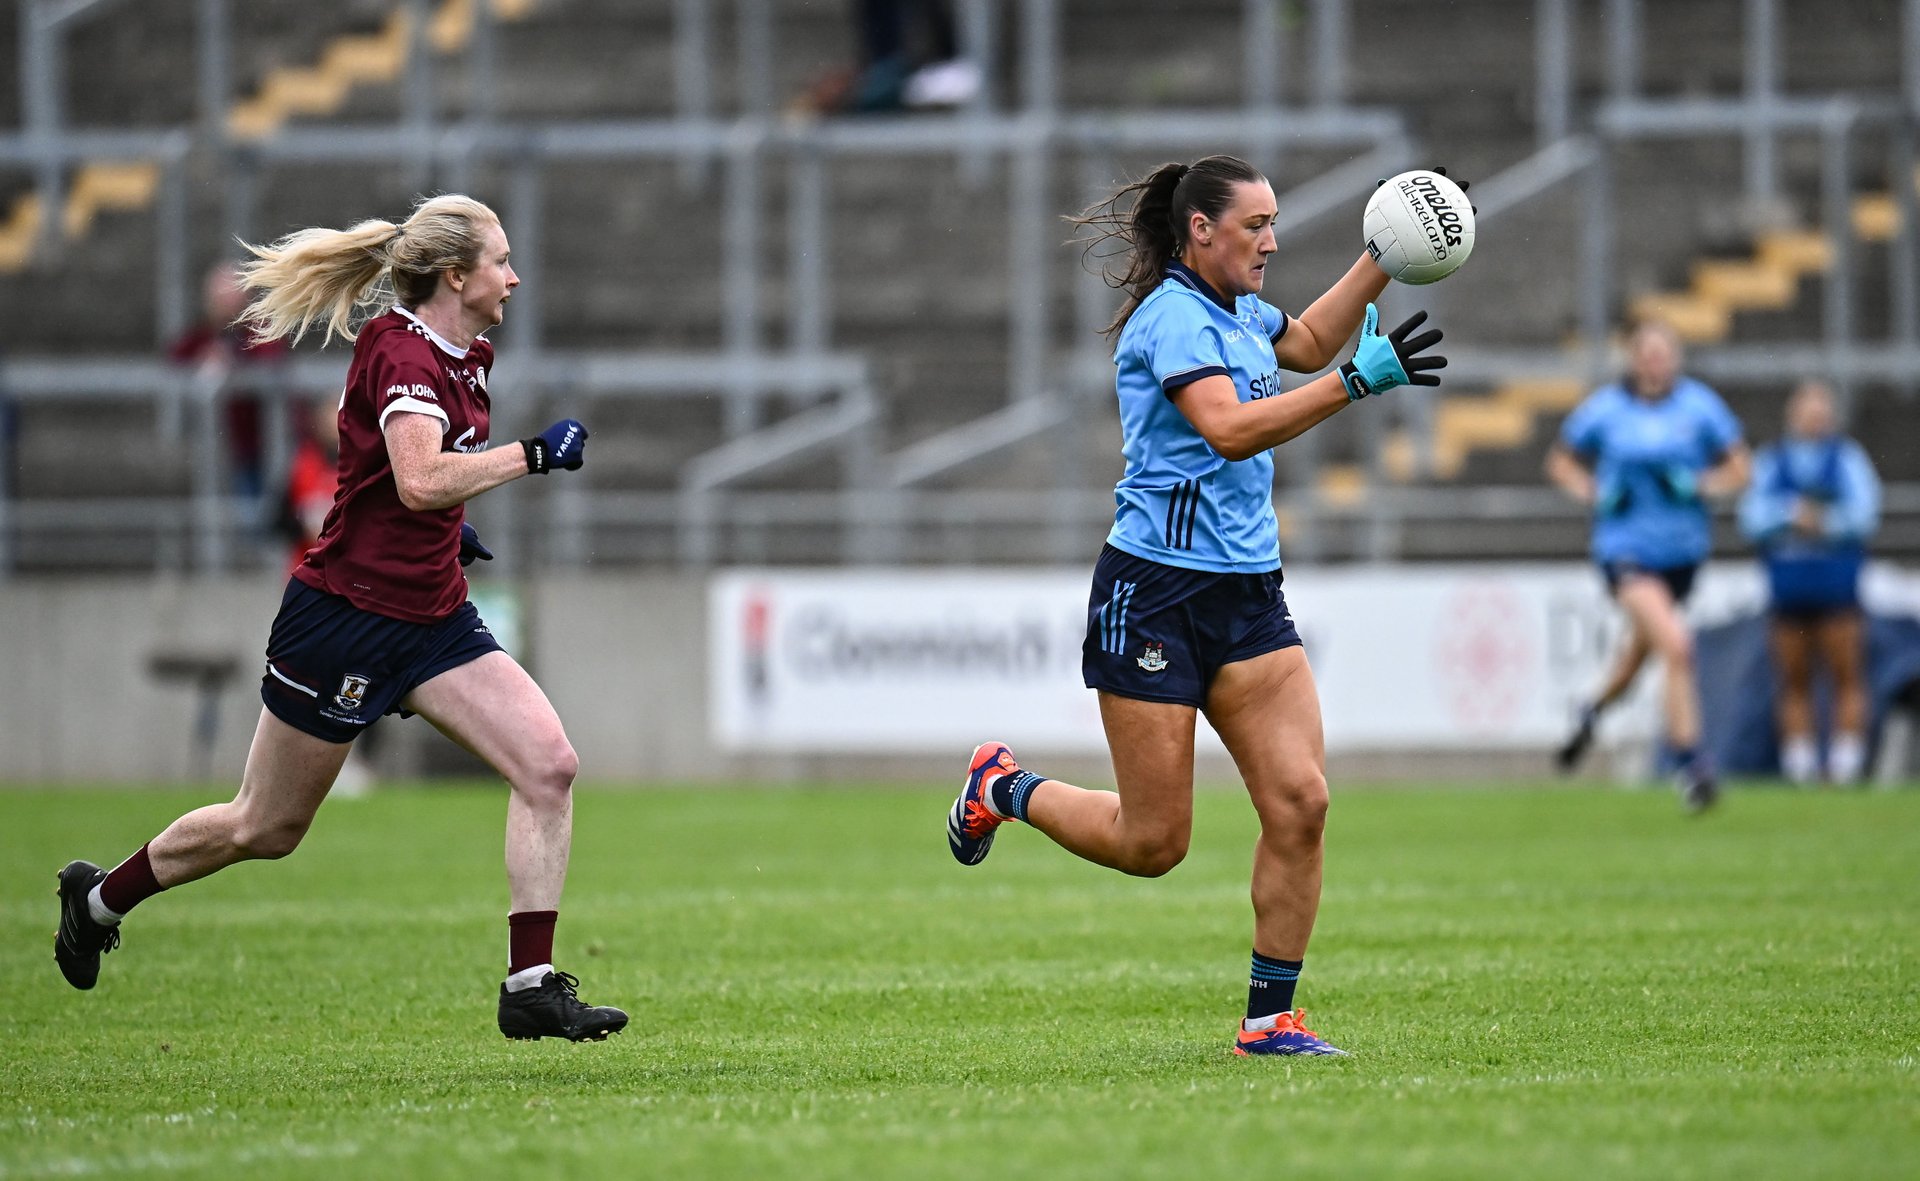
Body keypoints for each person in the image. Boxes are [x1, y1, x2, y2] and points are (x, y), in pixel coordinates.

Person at [52, 194, 626, 1043]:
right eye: (502, 259)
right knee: (265, 825)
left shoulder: (469, 353)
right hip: (345, 622)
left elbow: (401, 480)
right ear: (456, 274)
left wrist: (443, 533)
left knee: (549, 766)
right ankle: (98, 898)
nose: (515, 274)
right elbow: (418, 477)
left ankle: (530, 983)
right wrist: (532, 455)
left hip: (433, 620)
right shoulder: (401, 350)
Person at [945, 155, 1450, 1057]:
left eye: (1274, 221)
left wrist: (1386, 249)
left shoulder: (1240, 312)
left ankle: (1270, 1020)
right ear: (1201, 232)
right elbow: (1227, 426)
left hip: (1249, 593)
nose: (1272, 239)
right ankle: (1003, 786)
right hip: (1155, 596)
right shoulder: (1172, 319)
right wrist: (1356, 386)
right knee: (1154, 843)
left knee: (1301, 801)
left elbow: (1303, 342)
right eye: (1254, 225)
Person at [1547, 321, 1751, 810]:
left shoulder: (1699, 407)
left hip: (1681, 554)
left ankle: (1590, 713)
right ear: (1634, 359)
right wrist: (1595, 493)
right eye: (1648, 353)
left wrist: (1701, 484)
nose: (1656, 362)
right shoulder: (1608, 410)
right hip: (1626, 550)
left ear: (1676, 359)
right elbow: (1561, 461)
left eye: (1665, 353)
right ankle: (1692, 764)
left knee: (1638, 658)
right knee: (1677, 648)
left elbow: (1741, 469)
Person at [1738, 379, 1881, 784]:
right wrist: (1790, 515)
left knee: (1846, 675)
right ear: (1792, 416)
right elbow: (1752, 518)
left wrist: (1823, 522)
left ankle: (1845, 765)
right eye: (1807, 412)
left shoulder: (1849, 459)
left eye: (1821, 412)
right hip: (1788, 590)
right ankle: (1800, 766)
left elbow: (1866, 515)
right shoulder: (1772, 461)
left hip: (1838, 588)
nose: (1814, 420)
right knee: (1793, 679)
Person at [168, 262, 292, 506]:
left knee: (265, 511)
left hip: (265, 440)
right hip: (226, 444)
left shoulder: (258, 330)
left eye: (231, 298)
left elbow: (271, 358)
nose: (225, 306)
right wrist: (206, 355)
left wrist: (234, 358)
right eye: (219, 299)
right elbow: (176, 356)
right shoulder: (204, 335)